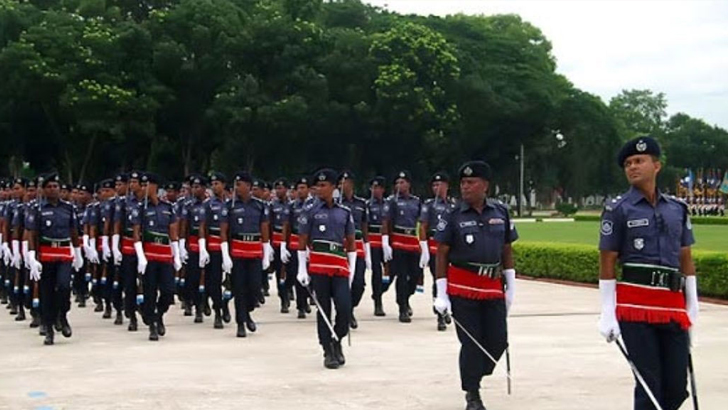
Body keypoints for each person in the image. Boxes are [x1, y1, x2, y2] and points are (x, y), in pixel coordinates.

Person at [598, 136, 699, 410]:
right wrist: (607, 311)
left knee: (676, 388)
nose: (632, 167)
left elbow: (685, 257)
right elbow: (607, 260)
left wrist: (693, 304)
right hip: (634, 307)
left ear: (657, 165)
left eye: (639, 161)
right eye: (628, 163)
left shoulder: (677, 209)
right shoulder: (618, 209)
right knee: (648, 386)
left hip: (672, 306)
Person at [433, 161, 517, 410]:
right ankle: (472, 393)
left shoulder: (500, 212)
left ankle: (475, 373)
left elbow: (506, 249)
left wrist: (511, 286)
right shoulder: (452, 214)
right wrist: (441, 294)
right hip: (462, 286)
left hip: (492, 285)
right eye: (463, 183)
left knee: (498, 341)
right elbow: (442, 253)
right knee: (472, 342)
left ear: (485, 186)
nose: (466, 187)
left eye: (472, 182)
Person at [296, 168, 356, 369]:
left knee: (345, 307)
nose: (320, 189)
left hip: (339, 267)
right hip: (319, 267)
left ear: (333, 187)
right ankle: (327, 349)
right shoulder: (310, 211)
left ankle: (337, 338)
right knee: (323, 309)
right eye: (317, 186)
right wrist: (302, 269)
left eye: (324, 185)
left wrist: (352, 270)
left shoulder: (345, 212)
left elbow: (351, 243)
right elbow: (302, 240)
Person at [26, 173, 85, 345]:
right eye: (49, 187)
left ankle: (63, 315)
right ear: (44, 190)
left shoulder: (68, 208)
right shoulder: (37, 209)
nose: (53, 189)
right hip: (46, 254)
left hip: (64, 254)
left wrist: (78, 253)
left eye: (56, 186)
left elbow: (74, 232)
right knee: (47, 291)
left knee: (64, 286)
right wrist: (32, 257)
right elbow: (32, 234)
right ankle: (49, 327)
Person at [220, 171, 272, 337]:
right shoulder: (230, 206)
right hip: (237, 251)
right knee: (239, 288)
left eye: (240, 185)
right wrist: (225, 254)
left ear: (249, 187)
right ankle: (241, 323)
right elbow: (223, 231)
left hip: (254, 251)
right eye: (235, 184)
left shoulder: (259, 206)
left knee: (255, 288)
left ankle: (247, 312)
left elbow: (264, 230)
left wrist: (266, 251)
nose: (236, 188)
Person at [131, 172, 182, 341]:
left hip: (165, 256)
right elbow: (136, 234)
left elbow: (173, 233)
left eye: (147, 186)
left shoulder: (168, 208)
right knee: (150, 292)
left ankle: (159, 314)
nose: (144, 189)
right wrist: (141, 257)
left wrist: (177, 255)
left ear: (155, 187)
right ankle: (152, 325)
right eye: (143, 185)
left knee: (168, 292)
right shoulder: (139, 208)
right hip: (149, 256)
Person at [381, 171, 423, 323]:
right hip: (398, 241)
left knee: (415, 274)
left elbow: (422, 221)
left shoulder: (416, 201)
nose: (400, 185)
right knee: (402, 275)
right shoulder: (392, 201)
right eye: (397, 183)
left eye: (403, 182)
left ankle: (406, 297)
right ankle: (402, 308)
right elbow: (386, 221)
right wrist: (386, 242)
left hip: (412, 241)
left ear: (409, 184)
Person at [420, 171, 458, 331]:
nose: (436, 188)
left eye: (440, 184)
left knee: (451, 280)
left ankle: (447, 308)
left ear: (447, 186)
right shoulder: (429, 205)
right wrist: (424, 250)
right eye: (434, 185)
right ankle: (440, 314)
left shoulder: (454, 204)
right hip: (435, 246)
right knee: (438, 280)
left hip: (452, 249)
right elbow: (423, 227)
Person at [338, 171, 370, 329]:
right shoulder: (336, 203)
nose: (342, 185)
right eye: (340, 182)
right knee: (343, 282)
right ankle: (345, 312)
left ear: (352, 184)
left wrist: (367, 247)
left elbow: (365, 227)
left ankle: (350, 307)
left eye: (346, 181)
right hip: (341, 246)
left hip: (358, 246)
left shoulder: (361, 203)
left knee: (359, 283)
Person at [199, 172, 231, 328]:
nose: (214, 187)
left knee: (232, 282)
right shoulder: (207, 204)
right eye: (212, 184)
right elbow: (202, 227)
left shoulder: (232, 204)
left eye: (217, 183)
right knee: (214, 281)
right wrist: (203, 247)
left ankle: (225, 303)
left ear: (224, 185)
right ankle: (218, 310)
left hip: (230, 247)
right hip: (214, 246)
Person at [179, 175, 208, 322]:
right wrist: (182, 245)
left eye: (197, 187)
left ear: (204, 188)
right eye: (193, 187)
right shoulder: (188, 205)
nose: (194, 190)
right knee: (193, 276)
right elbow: (183, 226)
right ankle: (193, 304)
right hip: (193, 242)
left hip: (208, 243)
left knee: (208, 276)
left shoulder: (210, 204)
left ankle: (205, 302)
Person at [269, 177, 293, 314]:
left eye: (281, 188)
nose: (279, 191)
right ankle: (283, 298)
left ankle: (289, 288)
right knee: (280, 272)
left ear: (287, 190)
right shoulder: (272, 206)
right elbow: (269, 225)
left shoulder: (292, 205)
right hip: (277, 241)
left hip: (291, 241)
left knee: (292, 271)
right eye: (277, 188)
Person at [366, 176, 387, 317]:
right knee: (377, 272)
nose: (375, 190)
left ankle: (379, 291)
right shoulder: (367, 204)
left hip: (386, 241)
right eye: (373, 187)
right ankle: (378, 302)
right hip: (373, 240)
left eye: (378, 187)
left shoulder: (389, 204)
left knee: (391, 272)